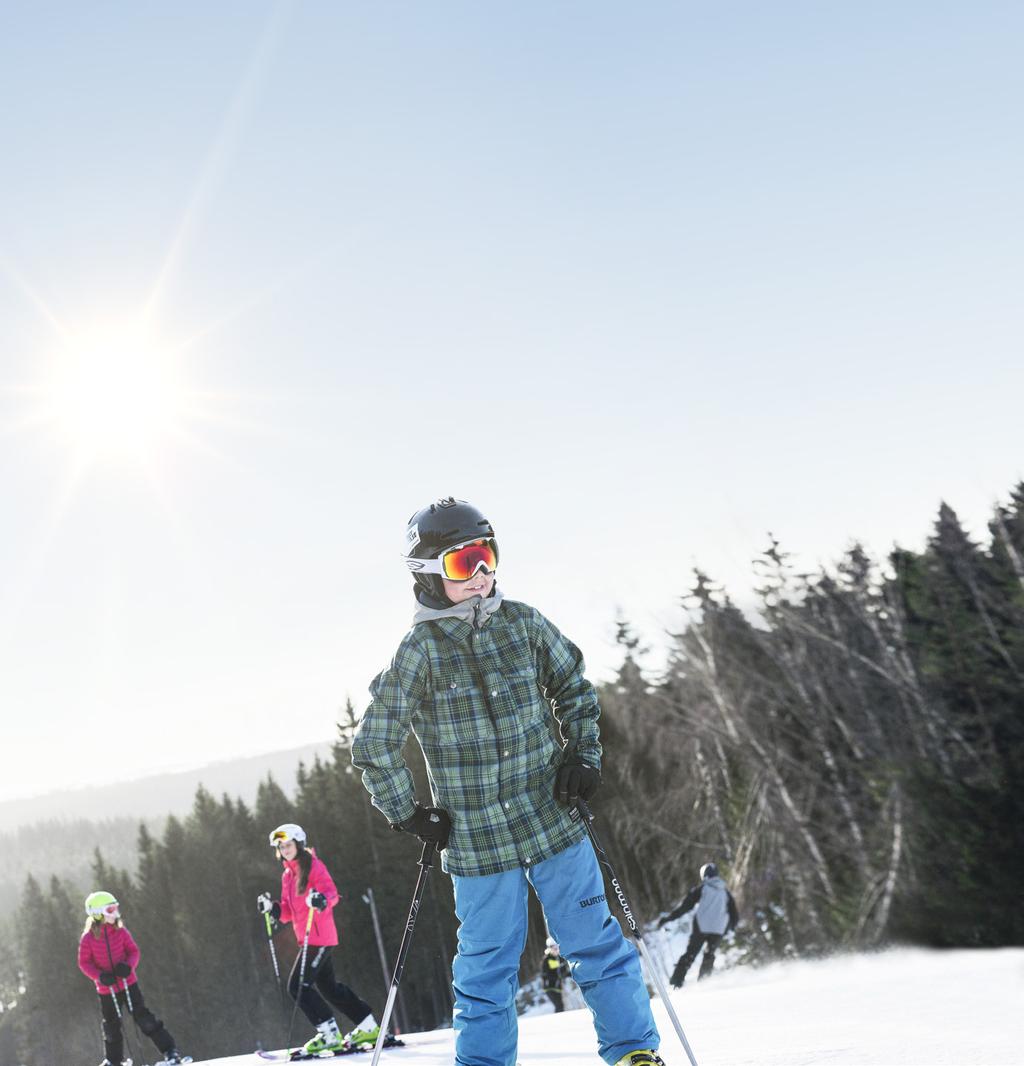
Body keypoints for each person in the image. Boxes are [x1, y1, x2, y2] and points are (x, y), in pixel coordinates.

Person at [352, 498, 664, 1066]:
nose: (481, 575)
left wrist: (585, 758)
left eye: (487, 557)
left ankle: (633, 1053)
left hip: (553, 818)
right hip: (477, 843)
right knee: (486, 972)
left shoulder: (523, 624)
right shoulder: (418, 654)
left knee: (596, 945)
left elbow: (573, 688)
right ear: (426, 575)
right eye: (462, 563)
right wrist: (410, 812)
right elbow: (373, 745)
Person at [257, 822, 380, 1055]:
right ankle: (368, 1027)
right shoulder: (287, 876)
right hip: (307, 939)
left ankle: (329, 1034)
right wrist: (271, 908)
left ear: (299, 844)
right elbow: (287, 912)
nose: (284, 849)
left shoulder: (313, 866)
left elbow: (331, 893)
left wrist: (321, 900)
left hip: (319, 937)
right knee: (330, 989)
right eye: (281, 846)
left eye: (288, 845)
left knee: (298, 985)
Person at [76, 891, 187, 1066]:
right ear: (97, 913)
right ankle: (113, 1060)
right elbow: (84, 963)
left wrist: (128, 966)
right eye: (110, 910)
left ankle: (170, 1051)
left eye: (115, 909)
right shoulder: (88, 939)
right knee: (111, 1026)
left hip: (129, 984)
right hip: (107, 989)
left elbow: (134, 952)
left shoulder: (120, 932)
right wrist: (99, 976)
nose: (115, 914)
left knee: (144, 1018)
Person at [659, 862, 738, 987]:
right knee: (709, 954)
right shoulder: (725, 891)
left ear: (704, 875)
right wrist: (731, 928)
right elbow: (734, 913)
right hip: (718, 929)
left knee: (690, 954)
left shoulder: (702, 888)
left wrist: (669, 918)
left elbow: (686, 906)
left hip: (701, 927)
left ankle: (676, 983)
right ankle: (704, 982)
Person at [541, 937, 572, 1013]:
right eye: (554, 948)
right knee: (559, 1005)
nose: (556, 950)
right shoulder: (547, 959)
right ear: (549, 949)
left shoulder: (561, 959)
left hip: (558, 986)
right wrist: (558, 976)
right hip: (549, 987)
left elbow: (564, 972)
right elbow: (546, 974)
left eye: (557, 948)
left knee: (561, 1005)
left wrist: (572, 974)